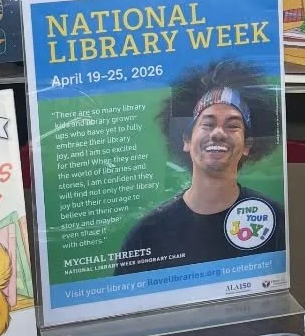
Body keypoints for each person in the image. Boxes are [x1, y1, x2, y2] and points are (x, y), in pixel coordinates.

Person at [115, 67, 285, 275]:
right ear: (186, 140)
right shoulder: (146, 234)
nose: (219, 133)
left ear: (248, 145)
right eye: (207, 123)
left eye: (232, 126)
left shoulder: (275, 220)